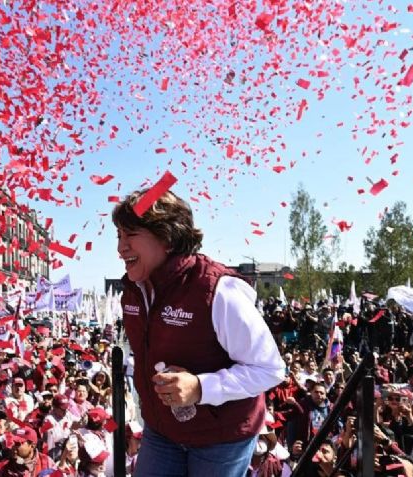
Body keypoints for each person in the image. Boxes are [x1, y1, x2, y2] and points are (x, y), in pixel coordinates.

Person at [113, 190, 286, 477]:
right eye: (118, 236)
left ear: (166, 237)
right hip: (161, 430)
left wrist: (200, 387)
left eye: (130, 235)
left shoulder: (218, 290)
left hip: (222, 438)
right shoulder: (133, 292)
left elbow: (270, 369)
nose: (120, 248)